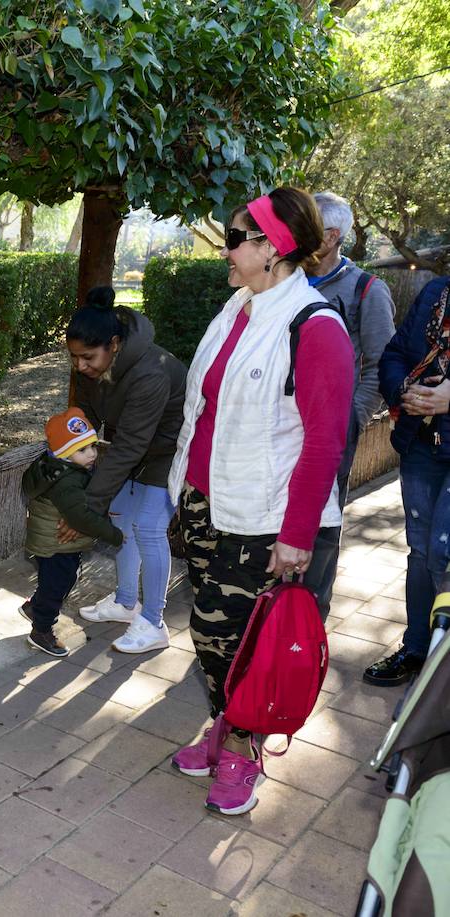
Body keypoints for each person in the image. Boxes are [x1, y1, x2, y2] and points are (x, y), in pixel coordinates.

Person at [167, 188, 353, 816]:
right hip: (205, 500)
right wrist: (183, 489)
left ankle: (244, 749)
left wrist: (297, 535)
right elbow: (205, 408)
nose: (227, 247)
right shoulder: (239, 306)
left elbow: (326, 441)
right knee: (209, 632)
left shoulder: (314, 326)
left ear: (273, 249)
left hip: (262, 518)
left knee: (244, 639)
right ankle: (225, 723)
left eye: (237, 238)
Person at [66, 286, 187, 655]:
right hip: (132, 445)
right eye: (74, 358)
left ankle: (153, 622)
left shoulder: (151, 372)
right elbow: (86, 422)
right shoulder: (91, 368)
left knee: (148, 528)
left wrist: (84, 509)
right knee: (121, 523)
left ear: (114, 344)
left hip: (170, 448)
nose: (80, 366)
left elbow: (131, 446)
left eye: (87, 357)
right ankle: (125, 602)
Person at [299, 192, 399, 617]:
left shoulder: (367, 291)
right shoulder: (289, 280)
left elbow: (382, 364)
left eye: (308, 228)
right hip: (280, 425)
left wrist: (349, 419)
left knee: (321, 526)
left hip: (332, 432)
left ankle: (305, 626)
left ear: (332, 236)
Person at [366, 271, 450, 687]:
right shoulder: (437, 291)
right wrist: (406, 390)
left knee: (441, 553)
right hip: (421, 444)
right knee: (420, 553)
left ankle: (441, 660)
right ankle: (418, 648)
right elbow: (396, 351)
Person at [20, 408, 125, 657]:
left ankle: (35, 607)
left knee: (57, 579)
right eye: (82, 450)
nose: (91, 454)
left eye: (93, 447)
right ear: (65, 454)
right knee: (57, 584)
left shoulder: (59, 467)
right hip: (55, 544)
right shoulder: (67, 482)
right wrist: (114, 535)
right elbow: (81, 517)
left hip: (53, 542)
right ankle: (41, 630)